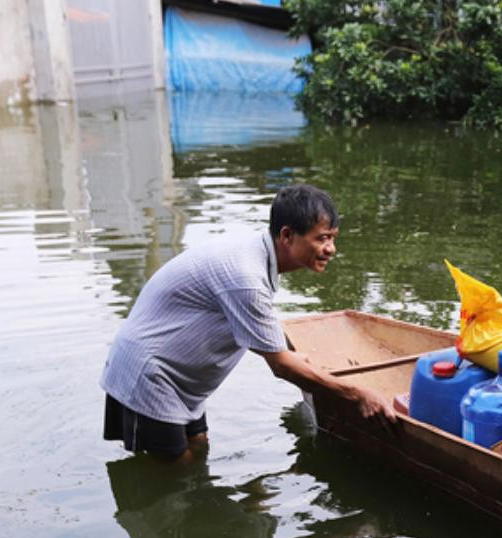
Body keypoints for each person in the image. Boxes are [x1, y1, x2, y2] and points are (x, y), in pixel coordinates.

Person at [102, 183, 394, 463]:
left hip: (181, 378)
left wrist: (294, 350)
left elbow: (257, 323)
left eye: (333, 237)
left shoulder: (257, 253)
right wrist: (356, 394)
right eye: (322, 238)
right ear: (287, 235)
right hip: (151, 374)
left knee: (198, 449)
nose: (331, 249)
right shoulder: (246, 277)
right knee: (174, 471)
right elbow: (280, 365)